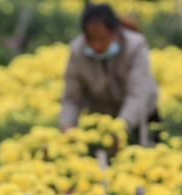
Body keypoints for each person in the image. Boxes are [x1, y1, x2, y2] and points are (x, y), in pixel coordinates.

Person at [59, 3, 159, 135]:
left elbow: (138, 94)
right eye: (90, 39)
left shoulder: (135, 46)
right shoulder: (78, 51)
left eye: (101, 38)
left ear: (114, 32)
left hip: (139, 114)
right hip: (101, 116)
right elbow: (71, 98)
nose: (96, 45)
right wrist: (67, 126)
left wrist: (121, 127)